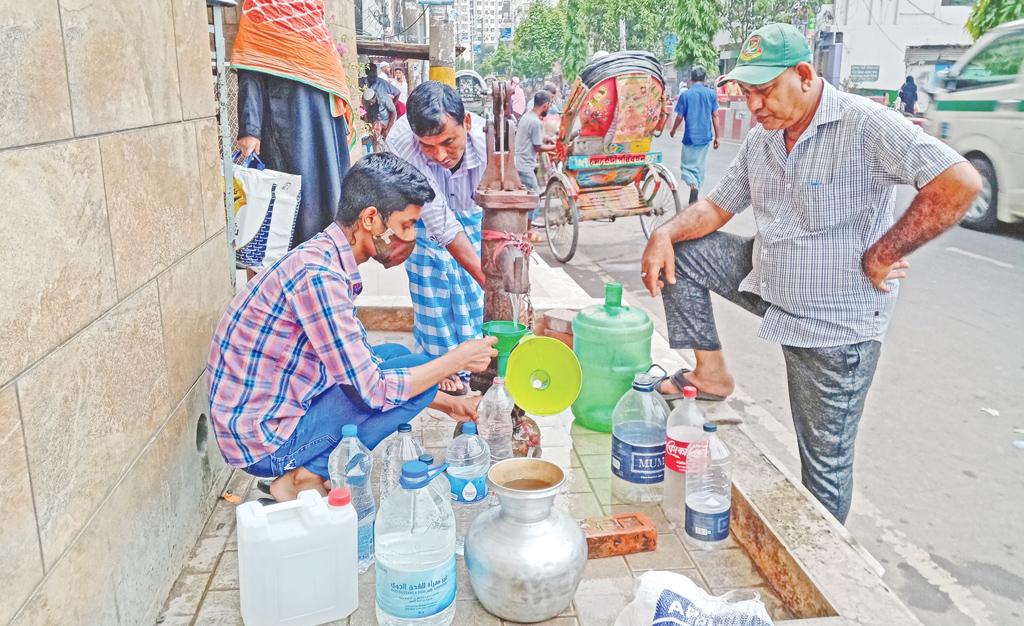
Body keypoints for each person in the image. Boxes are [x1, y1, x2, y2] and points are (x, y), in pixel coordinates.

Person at [640, 23, 981, 523]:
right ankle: (710, 375)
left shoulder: (865, 124)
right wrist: (665, 233)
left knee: (823, 468)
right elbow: (716, 206)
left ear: (803, 75)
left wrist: (885, 252)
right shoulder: (764, 139)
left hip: (833, 324)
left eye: (764, 92)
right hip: (770, 280)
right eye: (747, 93)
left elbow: (959, 182)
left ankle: (830, 574)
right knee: (683, 254)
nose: (754, 106)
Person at [208, 154, 498, 502]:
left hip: (270, 415)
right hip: (265, 443)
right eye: (405, 226)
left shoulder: (324, 257)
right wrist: (457, 359)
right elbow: (372, 391)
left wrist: (451, 405)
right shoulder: (320, 279)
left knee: (396, 356)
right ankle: (300, 477)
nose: (411, 238)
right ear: (370, 219)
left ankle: (306, 468)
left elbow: (362, 368)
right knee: (415, 374)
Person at [387, 82, 489, 395]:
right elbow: (440, 222)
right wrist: (491, 281)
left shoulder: (489, 140)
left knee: (472, 294)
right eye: (428, 146)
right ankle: (437, 362)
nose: (440, 155)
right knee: (430, 288)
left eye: (448, 142)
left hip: (472, 210)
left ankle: (475, 359)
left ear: (467, 124)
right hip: (425, 214)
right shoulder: (401, 142)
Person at [232, 0, 353, 249]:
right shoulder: (260, 7)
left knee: (329, 205)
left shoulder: (312, 12)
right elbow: (250, 70)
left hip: (324, 127)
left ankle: (325, 265)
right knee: (287, 215)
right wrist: (250, 130)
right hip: (285, 124)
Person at [670, 66, 721, 205]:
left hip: (690, 137)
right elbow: (715, 115)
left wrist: (673, 130)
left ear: (691, 79)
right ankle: (696, 190)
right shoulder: (711, 94)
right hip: (705, 137)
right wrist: (718, 137)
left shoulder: (685, 95)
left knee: (686, 166)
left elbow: (679, 117)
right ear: (704, 79)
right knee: (699, 165)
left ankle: (693, 186)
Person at [515, 91, 556, 227]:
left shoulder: (526, 116)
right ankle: (528, 230)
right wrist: (554, 147)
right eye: (549, 105)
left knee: (526, 197)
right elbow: (538, 147)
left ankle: (524, 227)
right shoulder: (535, 122)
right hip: (525, 165)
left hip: (518, 163)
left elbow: (533, 137)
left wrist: (547, 139)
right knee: (534, 198)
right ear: (545, 105)